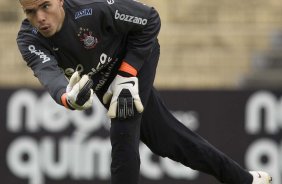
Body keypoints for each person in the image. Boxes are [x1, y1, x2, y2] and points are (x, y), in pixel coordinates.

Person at [16, 0, 272, 183]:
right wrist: (68, 97)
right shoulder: (29, 39)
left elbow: (149, 19)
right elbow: (47, 72)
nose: (40, 18)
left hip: (136, 56)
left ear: (60, 1)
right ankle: (242, 179)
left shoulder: (92, 7)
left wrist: (126, 75)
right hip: (105, 78)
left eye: (45, 6)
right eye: (30, 12)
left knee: (123, 129)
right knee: (165, 140)